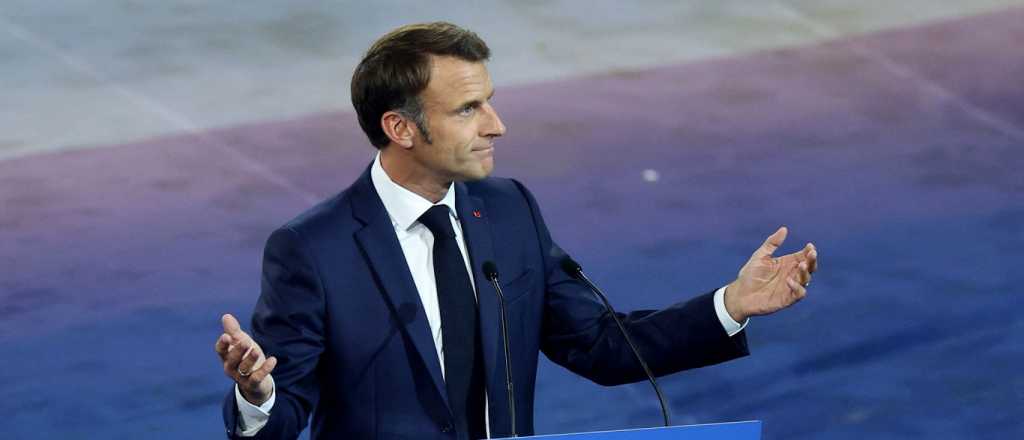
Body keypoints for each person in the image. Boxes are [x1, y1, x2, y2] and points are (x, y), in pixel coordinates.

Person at [214, 22, 817, 440]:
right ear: (401, 128)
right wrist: (258, 396)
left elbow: (600, 344)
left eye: (489, 101)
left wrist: (731, 305)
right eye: (468, 109)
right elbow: (284, 414)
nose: (496, 125)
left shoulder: (508, 210)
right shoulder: (314, 248)